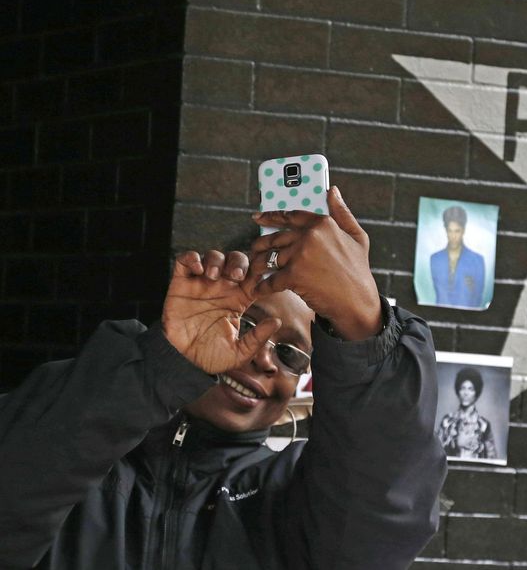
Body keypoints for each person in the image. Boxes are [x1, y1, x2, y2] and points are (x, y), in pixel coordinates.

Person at [0, 187, 447, 570]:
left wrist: (363, 324)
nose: (265, 360)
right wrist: (162, 365)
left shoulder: (292, 497)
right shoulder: (81, 454)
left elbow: (382, 517)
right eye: (248, 325)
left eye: (292, 353)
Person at [429, 205, 485, 308]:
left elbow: (478, 297)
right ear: (446, 231)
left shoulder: (477, 261)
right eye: (450, 230)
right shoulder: (435, 259)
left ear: (463, 231)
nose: (453, 236)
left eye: (457, 231)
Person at [436, 368, 497, 460]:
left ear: (476, 393)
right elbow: (435, 452)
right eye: (462, 388)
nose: (466, 393)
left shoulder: (484, 425)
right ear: (458, 391)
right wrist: (455, 444)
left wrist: (479, 447)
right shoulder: (447, 421)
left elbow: (493, 458)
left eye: (470, 389)